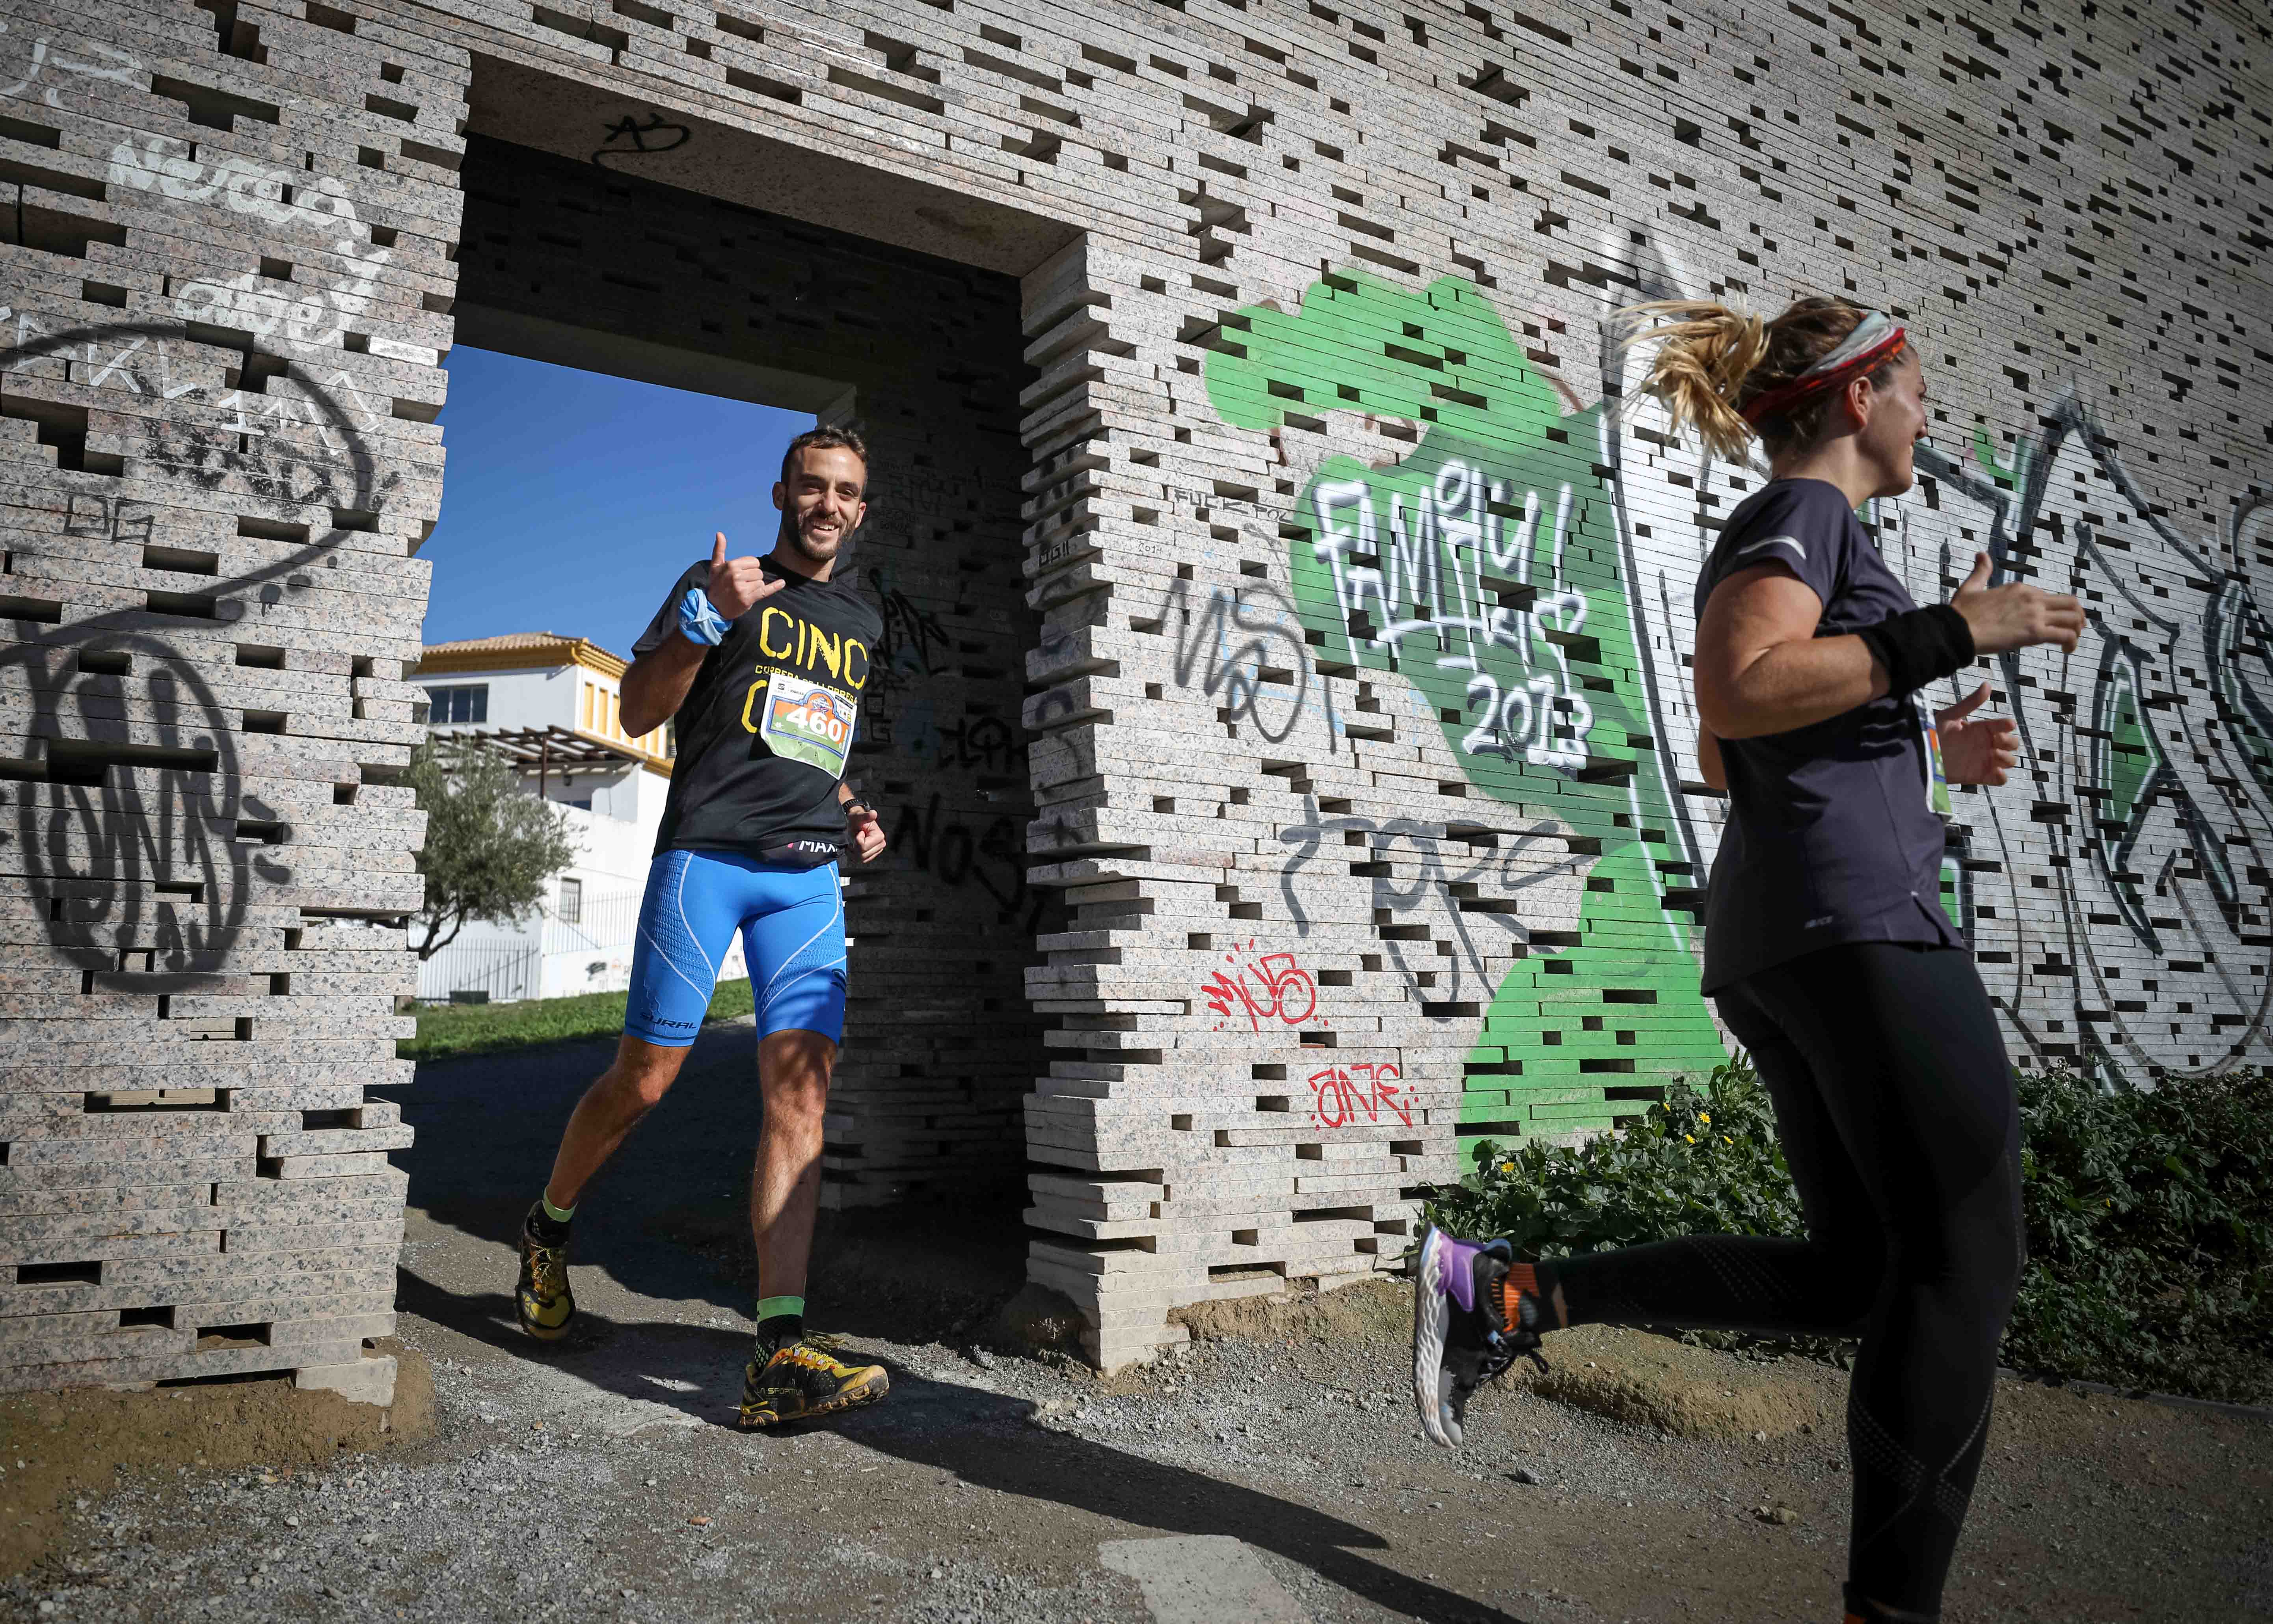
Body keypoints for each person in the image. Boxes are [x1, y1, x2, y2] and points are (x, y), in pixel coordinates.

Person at [1410, 297, 2086, 1624]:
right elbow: (1733, 693)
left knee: (1857, 1274)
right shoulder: (1806, 519)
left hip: (1793, 931)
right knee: (1964, 1262)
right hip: (1856, 931)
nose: (1924, 416)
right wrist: (1947, 634)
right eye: (1911, 391)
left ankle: (1508, 1292)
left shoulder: (1809, 535)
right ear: (1855, 398)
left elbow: (1734, 758)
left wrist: (1915, 752)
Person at [512, 425, 893, 1431]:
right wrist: (701, 619)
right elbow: (640, 712)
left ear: (862, 508)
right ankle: (548, 1229)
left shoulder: (860, 615)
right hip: (707, 863)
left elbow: (807, 734)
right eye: (811, 487)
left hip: (807, 879)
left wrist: (850, 804)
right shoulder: (721, 581)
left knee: (801, 1099)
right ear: (781, 493)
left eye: (845, 493)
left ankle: (776, 1350)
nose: (827, 505)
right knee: (646, 1080)